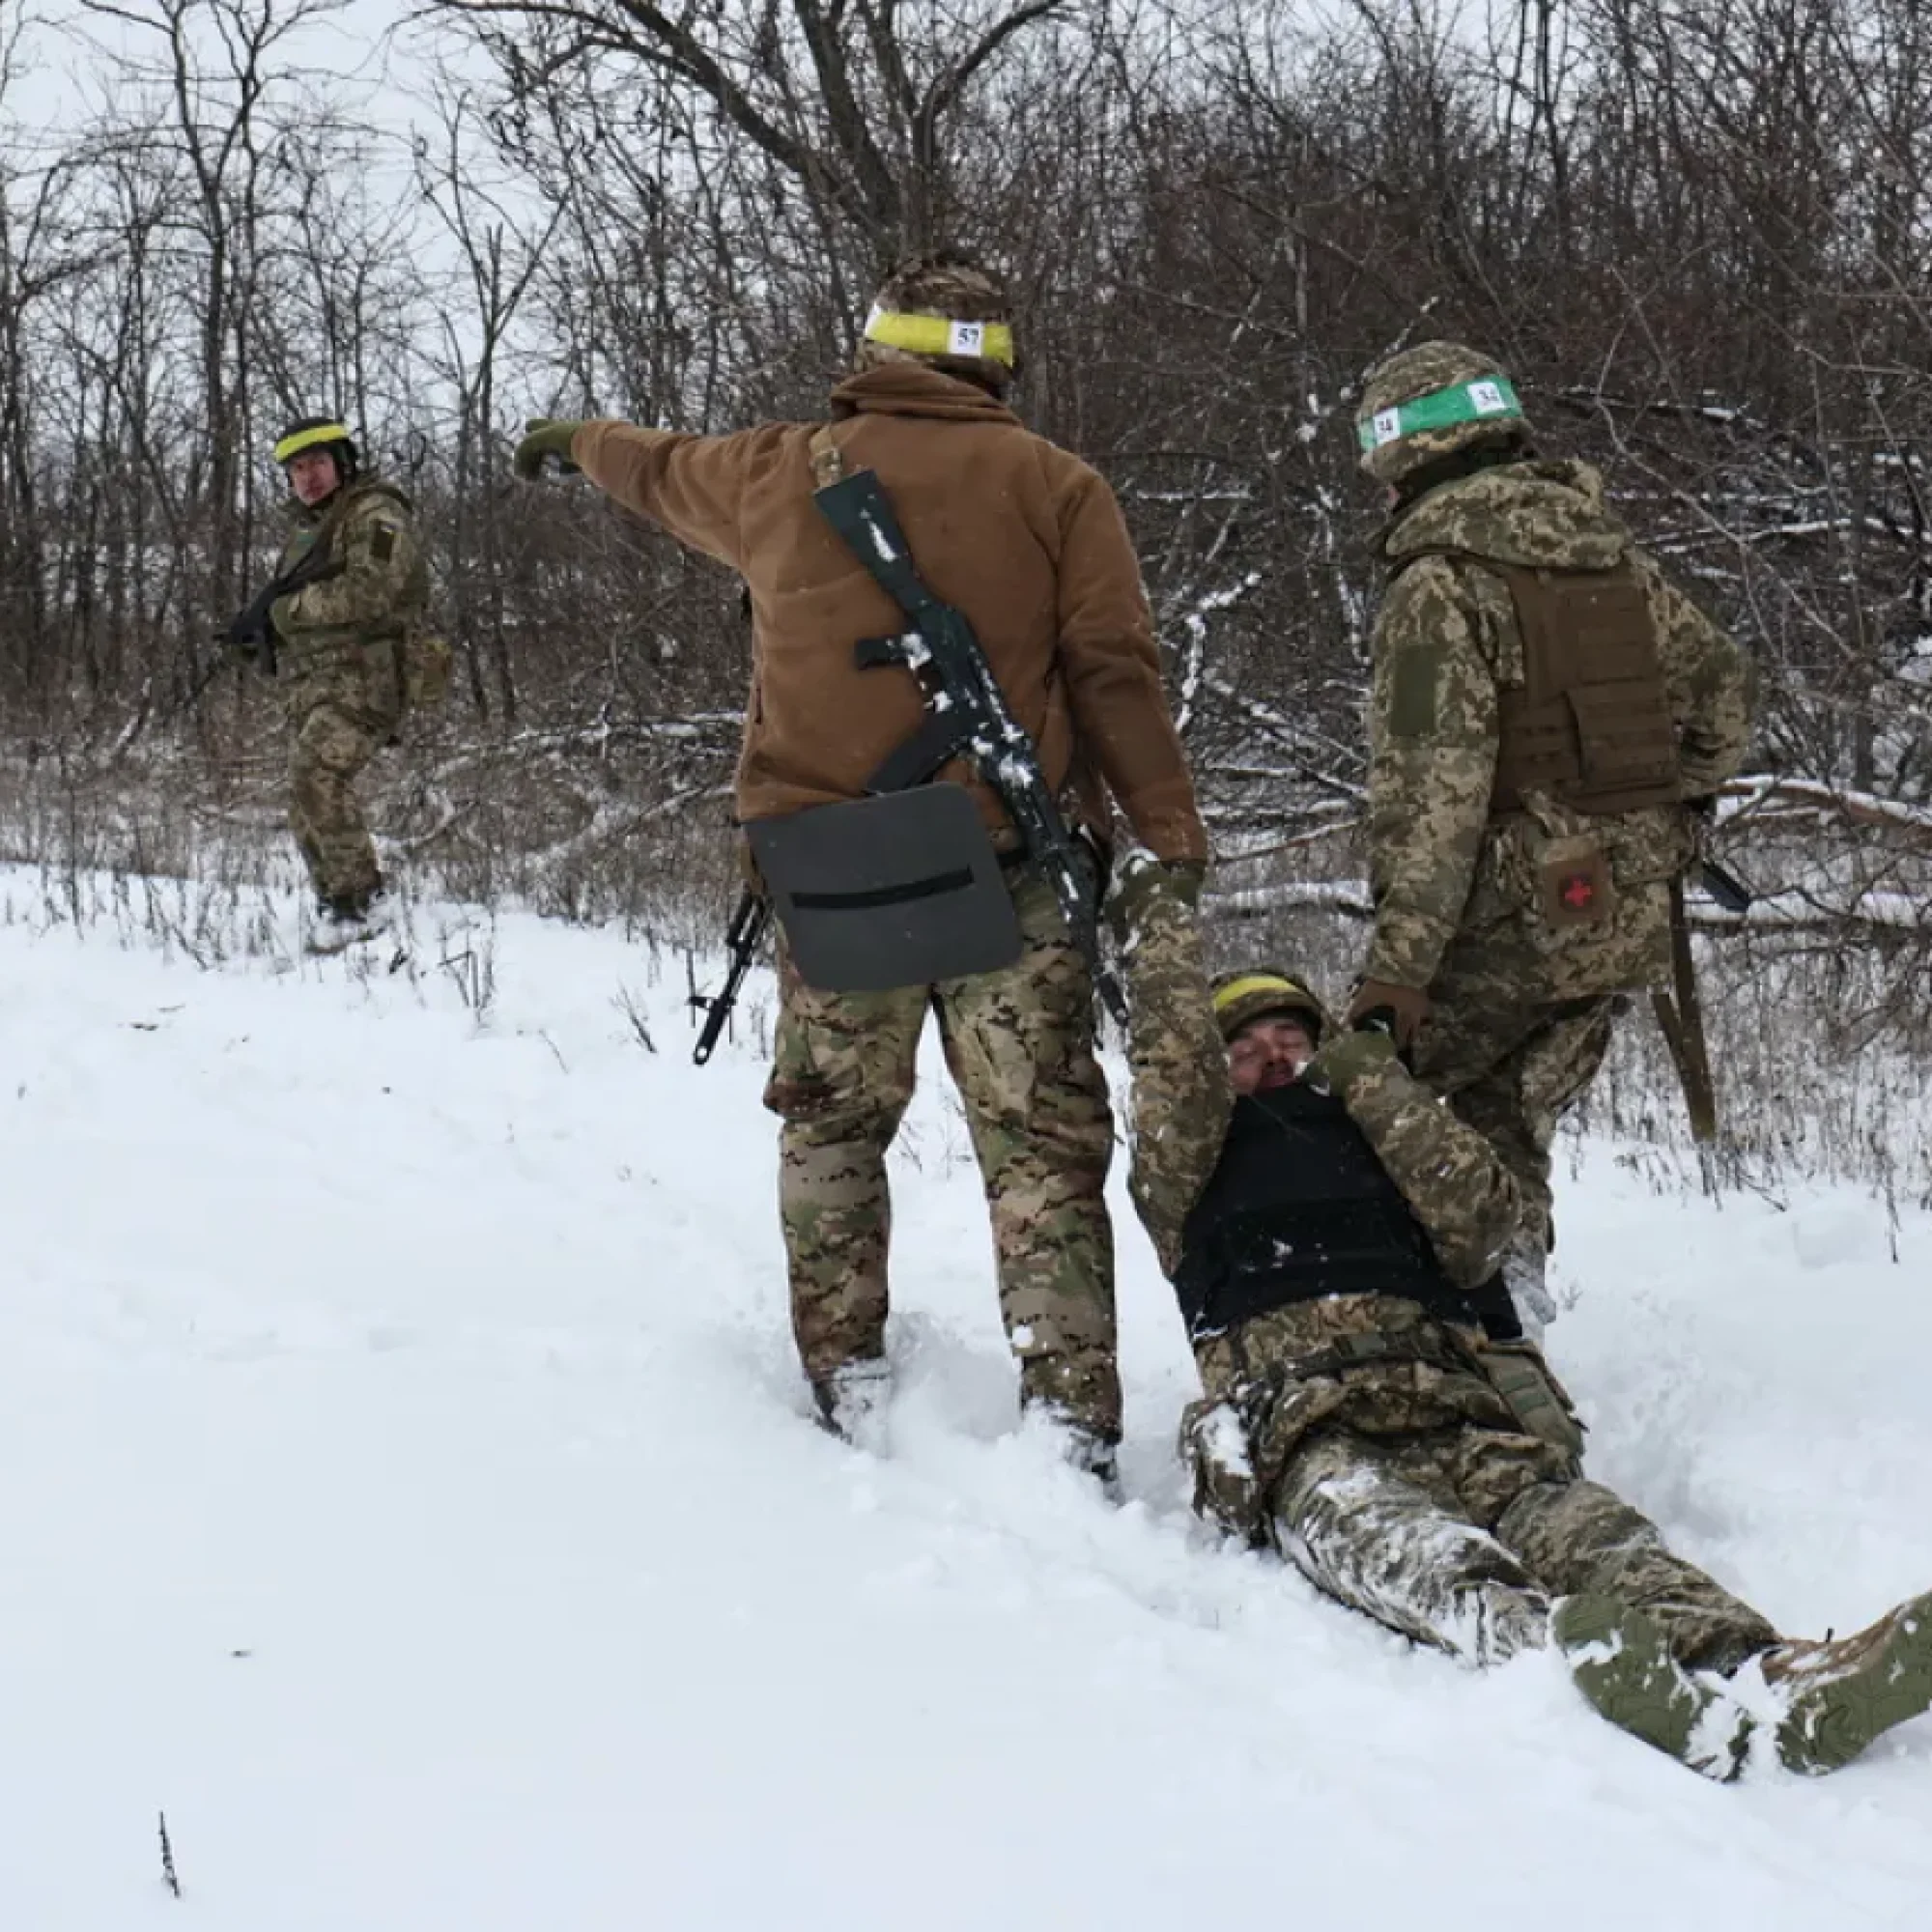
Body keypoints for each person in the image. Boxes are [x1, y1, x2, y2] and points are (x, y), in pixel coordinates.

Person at [514, 252, 1208, 1473]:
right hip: (1009, 876)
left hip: (832, 877)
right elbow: (1112, 673)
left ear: (876, 349)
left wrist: (576, 438)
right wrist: (1167, 834)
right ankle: (1068, 1419)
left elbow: (651, 464)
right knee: (1038, 1144)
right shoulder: (1056, 484)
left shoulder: (772, 471)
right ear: (991, 362)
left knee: (831, 1128)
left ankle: (847, 1377)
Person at [1110, 865, 1932, 1778]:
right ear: (1212, 1070)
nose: (1274, 1058)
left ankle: (1771, 1674)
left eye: (1293, 1041)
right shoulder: (1188, 1169)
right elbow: (1171, 1086)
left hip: (1453, 1402)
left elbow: (1484, 1223)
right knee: (1428, 1559)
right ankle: (1579, 1668)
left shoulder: (1382, 1141)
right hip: (1304, 1429)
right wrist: (1162, 924)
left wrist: (1374, 1088)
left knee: (1597, 1537)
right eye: (1246, 1047)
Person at [1344, 342, 1754, 1323]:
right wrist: (1659, 813)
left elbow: (1428, 802)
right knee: (1510, 1114)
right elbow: (1723, 704)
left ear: (1400, 459)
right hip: (1619, 912)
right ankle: (1508, 1311)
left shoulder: (1437, 585)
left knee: (1358, 1104)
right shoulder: (1615, 562)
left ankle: (1395, 1325)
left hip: (1502, 916)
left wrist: (1394, 976)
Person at [230, 416, 429, 946]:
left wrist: (283, 614)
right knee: (303, 791)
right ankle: (334, 901)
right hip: (319, 681)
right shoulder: (311, 530)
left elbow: (371, 593)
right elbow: (307, 607)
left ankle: (362, 904)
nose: (308, 477)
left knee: (316, 772)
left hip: (370, 678)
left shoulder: (379, 515)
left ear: (343, 462)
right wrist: (258, 635)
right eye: (296, 468)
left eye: (317, 463)